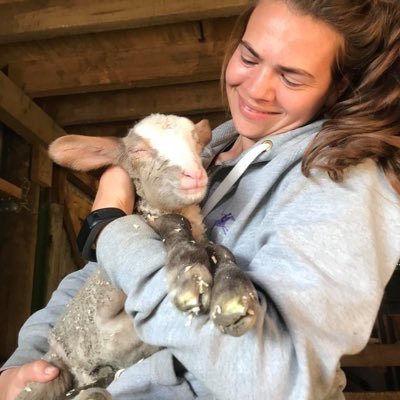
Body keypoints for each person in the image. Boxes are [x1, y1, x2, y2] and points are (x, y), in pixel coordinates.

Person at [1, 0, 399, 398]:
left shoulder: (344, 182)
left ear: (339, 84)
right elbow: (98, 279)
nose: (257, 90)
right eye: (249, 56)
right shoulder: (205, 155)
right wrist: (24, 365)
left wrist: (109, 224)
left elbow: (274, 378)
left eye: (291, 77)